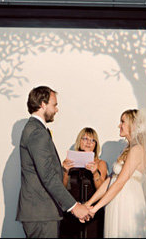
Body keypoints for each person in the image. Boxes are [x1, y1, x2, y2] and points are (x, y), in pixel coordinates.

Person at [83, 108, 146, 238]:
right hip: (116, 200)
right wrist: (89, 204)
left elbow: (120, 183)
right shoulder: (128, 149)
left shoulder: (137, 150)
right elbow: (111, 180)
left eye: (122, 122)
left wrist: (95, 209)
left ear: (133, 125)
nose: (119, 125)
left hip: (127, 202)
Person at [16, 86, 90, 238]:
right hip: (41, 213)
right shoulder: (37, 132)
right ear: (43, 104)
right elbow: (48, 176)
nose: (56, 110)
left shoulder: (35, 129)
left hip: (41, 212)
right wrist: (74, 207)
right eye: (54, 105)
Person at [60, 127, 108, 238]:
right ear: (79, 141)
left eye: (92, 140)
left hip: (92, 213)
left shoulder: (101, 163)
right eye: (85, 139)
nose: (88, 143)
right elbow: (61, 189)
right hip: (72, 212)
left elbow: (102, 190)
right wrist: (65, 171)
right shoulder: (69, 162)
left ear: (96, 144)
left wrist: (95, 172)